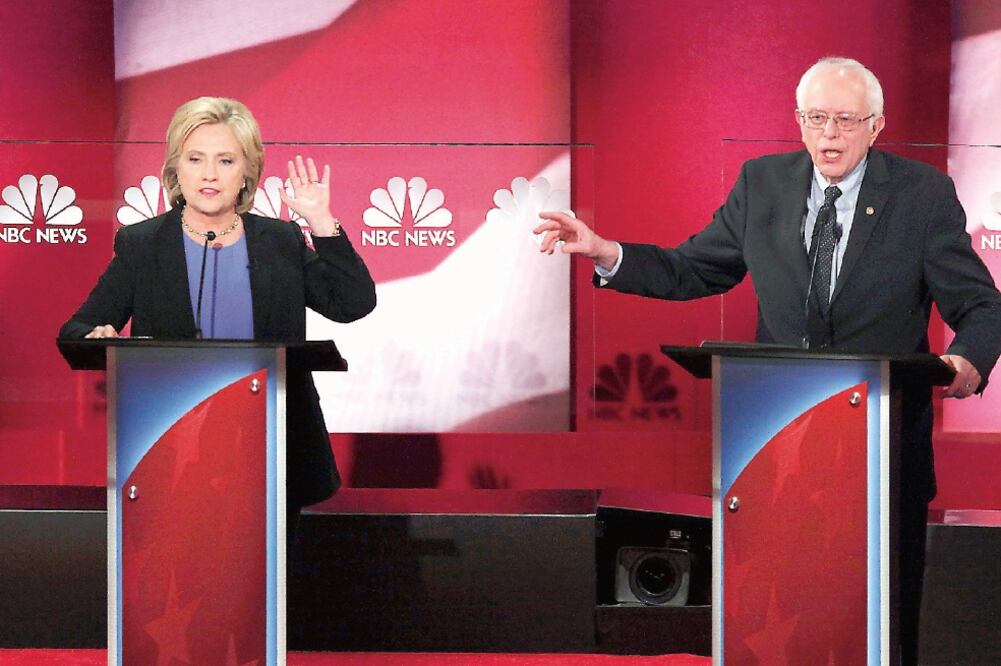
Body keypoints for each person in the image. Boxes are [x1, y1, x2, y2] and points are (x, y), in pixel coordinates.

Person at [534, 57, 1001, 664]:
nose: (829, 134)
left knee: (879, 626)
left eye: (843, 120)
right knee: (779, 623)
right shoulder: (763, 183)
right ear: (799, 122)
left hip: (881, 455)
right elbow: (695, 268)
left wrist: (966, 358)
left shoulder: (921, 195)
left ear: (876, 125)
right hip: (773, 453)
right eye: (815, 118)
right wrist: (606, 252)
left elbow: (980, 303)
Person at [59, 96, 376, 532]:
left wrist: (322, 222)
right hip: (171, 447)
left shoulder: (280, 241)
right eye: (195, 159)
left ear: (247, 172)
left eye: (226, 160)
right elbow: (75, 331)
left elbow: (352, 304)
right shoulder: (143, 245)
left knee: (265, 592)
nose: (209, 174)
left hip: (272, 451)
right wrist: (97, 336)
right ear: (176, 168)